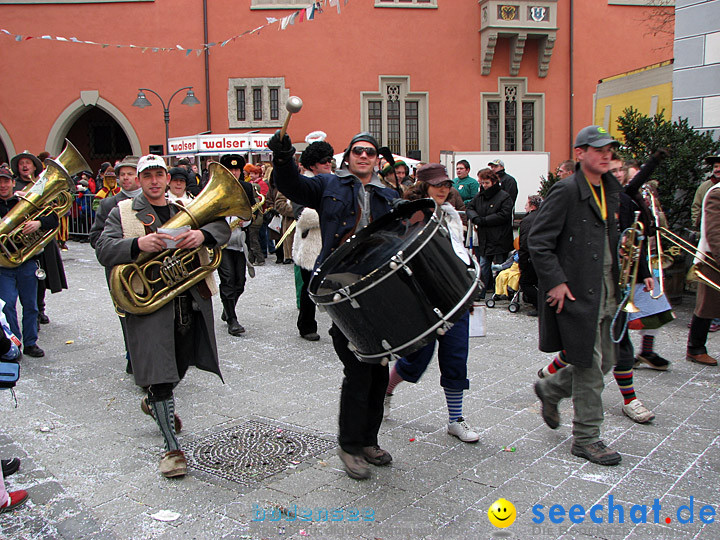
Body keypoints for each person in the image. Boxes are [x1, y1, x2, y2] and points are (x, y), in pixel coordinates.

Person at [269, 130, 398, 480]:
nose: (364, 156)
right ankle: (350, 445)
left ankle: (369, 440)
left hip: (379, 292)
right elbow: (293, 186)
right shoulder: (329, 185)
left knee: (378, 370)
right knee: (357, 369)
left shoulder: (388, 193)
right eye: (357, 150)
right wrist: (283, 159)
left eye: (370, 152)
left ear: (377, 158)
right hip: (340, 287)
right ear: (348, 155)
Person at [95, 154, 230, 478]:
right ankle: (172, 450)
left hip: (188, 300)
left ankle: (156, 404)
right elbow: (102, 248)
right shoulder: (123, 211)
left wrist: (203, 236)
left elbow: (222, 225)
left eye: (159, 175)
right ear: (139, 180)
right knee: (160, 374)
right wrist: (137, 243)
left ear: (166, 178)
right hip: (150, 305)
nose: (154, 181)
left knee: (181, 364)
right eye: (148, 176)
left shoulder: (185, 205)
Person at [530, 125, 623, 466]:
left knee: (607, 361)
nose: (605, 154)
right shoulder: (567, 189)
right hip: (578, 292)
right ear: (580, 153)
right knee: (589, 367)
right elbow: (538, 240)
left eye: (609, 149)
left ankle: (550, 389)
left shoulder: (610, 188)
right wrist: (555, 280)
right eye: (598, 149)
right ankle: (587, 437)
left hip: (607, 288)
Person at [383, 164, 479, 442]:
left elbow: (460, 255)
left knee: (456, 357)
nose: (443, 189)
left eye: (446, 184)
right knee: (415, 360)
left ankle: (455, 419)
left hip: (453, 298)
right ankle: (386, 391)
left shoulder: (451, 215)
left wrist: (468, 290)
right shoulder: (409, 215)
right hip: (420, 300)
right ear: (423, 186)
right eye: (436, 184)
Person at [89, 156, 140, 373]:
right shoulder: (109, 203)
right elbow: (95, 237)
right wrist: (126, 245)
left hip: (147, 270)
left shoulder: (155, 200)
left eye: (130, 173)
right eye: (122, 174)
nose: (125, 178)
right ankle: (132, 355)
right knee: (126, 314)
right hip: (120, 270)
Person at [11, 151, 68, 326]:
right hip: (20, 242)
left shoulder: (41, 184)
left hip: (40, 237)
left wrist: (39, 223)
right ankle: (29, 311)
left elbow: (53, 214)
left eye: (28, 162)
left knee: (42, 275)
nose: (25, 166)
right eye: (22, 163)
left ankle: (40, 309)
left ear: (35, 166)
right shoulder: (12, 187)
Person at [0, 164, 50, 358]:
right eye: (0, 182)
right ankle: (14, 342)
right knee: (7, 306)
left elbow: (52, 218)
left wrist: (39, 223)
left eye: (6, 181)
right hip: (3, 265)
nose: (3, 185)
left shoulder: (24, 201)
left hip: (27, 261)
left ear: (13, 183)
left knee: (31, 305)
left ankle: (30, 343)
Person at [685, 158, 720, 366]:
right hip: (713, 258)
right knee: (706, 306)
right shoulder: (716, 193)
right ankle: (695, 348)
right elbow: (715, 232)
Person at [218, 154, 256, 336]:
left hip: (241, 240)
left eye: (237, 169)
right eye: (230, 170)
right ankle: (232, 320)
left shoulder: (248, 188)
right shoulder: (216, 189)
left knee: (240, 282)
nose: (234, 173)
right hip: (223, 241)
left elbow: (255, 213)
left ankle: (228, 308)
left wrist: (246, 220)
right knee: (228, 279)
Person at [466, 168, 514, 298]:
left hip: (500, 238)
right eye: (482, 183)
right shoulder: (480, 196)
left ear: (493, 181)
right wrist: (475, 218)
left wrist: (484, 220)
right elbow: (470, 207)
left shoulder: (504, 196)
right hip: (485, 237)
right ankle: (481, 292)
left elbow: (504, 214)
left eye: (486, 183)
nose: (484, 185)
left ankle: (501, 293)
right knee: (483, 266)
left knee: (501, 266)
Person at [518, 195, 542, 315]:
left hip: (531, 257)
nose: (524, 207)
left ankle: (540, 305)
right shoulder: (545, 216)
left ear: (532, 206)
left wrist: (522, 262)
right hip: (543, 255)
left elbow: (524, 243)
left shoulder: (527, 220)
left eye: (526, 205)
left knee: (525, 283)